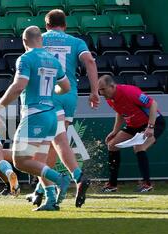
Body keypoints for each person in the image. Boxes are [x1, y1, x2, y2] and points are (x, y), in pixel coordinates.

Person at [0, 26, 91, 211]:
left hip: (35, 114)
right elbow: (65, 87)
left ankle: (60, 179)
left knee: (20, 161)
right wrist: (51, 92)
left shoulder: (25, 58)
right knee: (38, 161)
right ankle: (51, 200)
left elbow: (19, 86)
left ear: (24, 42)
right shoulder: (52, 60)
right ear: (40, 40)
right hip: (51, 116)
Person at [27, 9, 100, 205]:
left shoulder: (38, 39)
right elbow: (90, 62)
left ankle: (66, 180)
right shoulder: (76, 42)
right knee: (56, 142)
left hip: (46, 95)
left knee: (44, 144)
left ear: (47, 25)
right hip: (68, 96)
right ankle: (42, 189)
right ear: (65, 25)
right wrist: (94, 91)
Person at [98, 75, 166, 193]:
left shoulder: (129, 92)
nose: (101, 93)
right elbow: (120, 113)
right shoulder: (110, 98)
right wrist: (115, 131)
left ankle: (147, 184)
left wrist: (150, 127)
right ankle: (112, 185)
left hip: (153, 123)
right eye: (99, 90)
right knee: (112, 145)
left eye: (103, 89)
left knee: (139, 147)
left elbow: (153, 104)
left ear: (112, 86)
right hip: (134, 125)